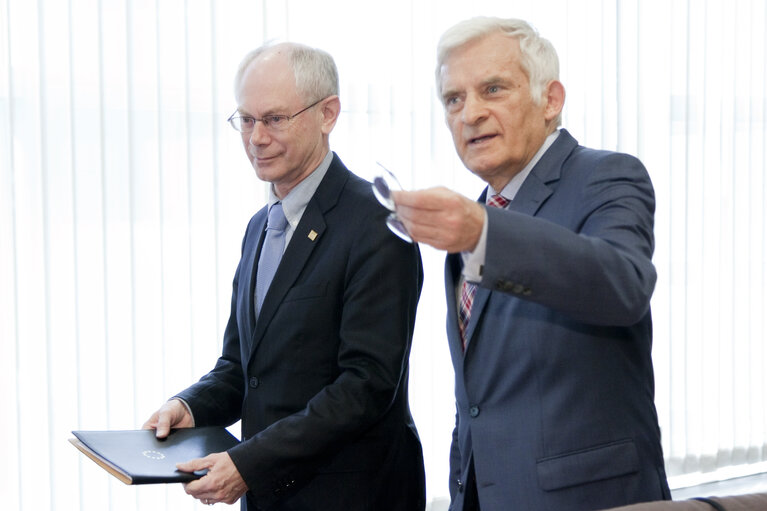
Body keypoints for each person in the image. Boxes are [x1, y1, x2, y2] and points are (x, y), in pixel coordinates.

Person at [391, 17, 671, 511]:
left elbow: (624, 285)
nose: (470, 113)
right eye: (454, 99)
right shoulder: (476, 215)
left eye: (493, 89)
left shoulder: (607, 176)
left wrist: (483, 233)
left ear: (551, 100)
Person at [143, 42, 425, 510]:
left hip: (354, 496)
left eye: (274, 119)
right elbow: (241, 368)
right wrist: (190, 407)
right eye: (246, 120)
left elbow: (366, 386)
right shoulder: (259, 226)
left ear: (328, 113)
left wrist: (249, 463)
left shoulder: (378, 224)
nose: (256, 137)